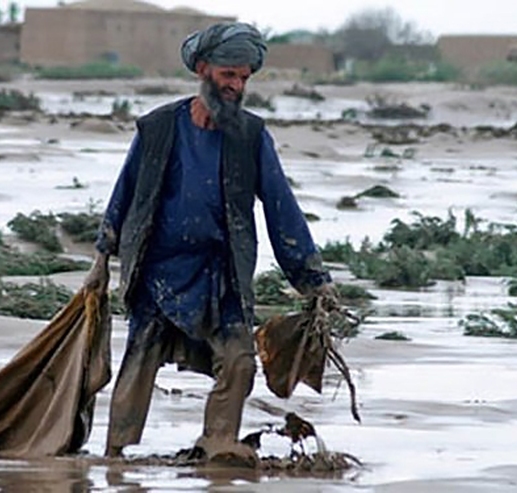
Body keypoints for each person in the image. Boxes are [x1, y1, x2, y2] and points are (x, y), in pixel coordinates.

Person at [83, 21, 338, 465]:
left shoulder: (251, 136)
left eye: (243, 78)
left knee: (239, 363)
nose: (237, 86)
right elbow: (124, 195)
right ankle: (115, 458)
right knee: (138, 364)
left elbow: (283, 210)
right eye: (228, 76)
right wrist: (102, 258)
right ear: (203, 70)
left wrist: (313, 279)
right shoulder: (158, 127)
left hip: (222, 275)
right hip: (158, 273)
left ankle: (217, 447)